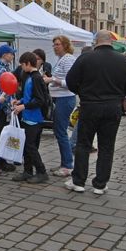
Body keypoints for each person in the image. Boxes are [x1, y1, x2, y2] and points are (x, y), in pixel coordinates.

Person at [64, 30, 126, 195]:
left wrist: (82, 92)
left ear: (96, 41)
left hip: (90, 105)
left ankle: (79, 181)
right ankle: (100, 184)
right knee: (107, 146)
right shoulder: (124, 61)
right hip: (113, 107)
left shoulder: (85, 58)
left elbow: (70, 81)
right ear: (111, 41)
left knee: (83, 144)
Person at [11, 52, 51, 184]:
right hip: (28, 116)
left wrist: (23, 106)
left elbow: (40, 100)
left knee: (30, 146)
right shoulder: (29, 76)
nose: (21, 67)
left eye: (22, 64)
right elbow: (29, 96)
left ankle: (42, 172)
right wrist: (20, 101)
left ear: (28, 63)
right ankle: (28, 171)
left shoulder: (36, 78)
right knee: (26, 146)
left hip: (35, 117)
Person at [47, 35, 78, 178]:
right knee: (59, 132)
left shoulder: (69, 59)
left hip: (65, 98)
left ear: (65, 45)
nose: (55, 47)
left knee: (61, 132)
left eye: (58, 44)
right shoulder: (61, 59)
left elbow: (70, 81)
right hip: (60, 98)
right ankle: (64, 162)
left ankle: (67, 166)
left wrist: (51, 79)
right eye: (54, 44)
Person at [0, 45, 17, 171]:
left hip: (3, 104)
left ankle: (1, 160)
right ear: (5, 55)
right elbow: (5, 89)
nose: (12, 56)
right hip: (2, 105)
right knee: (2, 132)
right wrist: (10, 103)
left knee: (3, 132)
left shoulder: (4, 67)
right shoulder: (1, 69)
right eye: (11, 53)